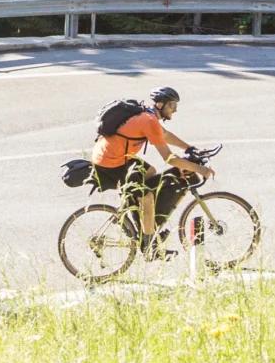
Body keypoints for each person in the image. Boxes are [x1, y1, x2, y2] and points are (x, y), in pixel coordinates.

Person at [89, 85, 220, 247]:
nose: (175, 110)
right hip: (111, 163)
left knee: (150, 172)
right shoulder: (149, 120)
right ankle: (149, 244)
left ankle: (134, 207)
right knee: (148, 197)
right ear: (160, 105)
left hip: (115, 157)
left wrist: (189, 148)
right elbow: (169, 158)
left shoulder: (148, 115)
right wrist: (201, 169)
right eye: (172, 105)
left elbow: (164, 135)